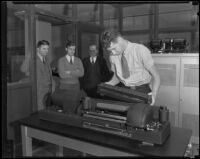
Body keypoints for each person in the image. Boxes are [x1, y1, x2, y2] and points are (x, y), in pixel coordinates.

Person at [101, 29, 160, 105]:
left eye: (114, 49)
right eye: (110, 51)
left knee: (139, 116)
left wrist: (154, 94)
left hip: (142, 91)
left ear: (119, 39)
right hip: (124, 91)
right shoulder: (112, 56)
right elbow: (117, 78)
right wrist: (107, 85)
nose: (113, 53)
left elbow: (156, 76)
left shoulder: (140, 50)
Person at [52, 40, 84, 113]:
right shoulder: (61, 60)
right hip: (65, 86)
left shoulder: (78, 60)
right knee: (66, 107)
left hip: (76, 86)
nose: (72, 51)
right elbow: (62, 75)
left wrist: (69, 72)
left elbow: (82, 73)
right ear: (66, 49)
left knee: (75, 106)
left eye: (74, 49)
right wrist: (76, 71)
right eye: (70, 49)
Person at [36, 40, 55, 110]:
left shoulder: (46, 59)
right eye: (44, 48)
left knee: (47, 110)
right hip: (40, 91)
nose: (46, 51)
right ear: (38, 49)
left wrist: (52, 86)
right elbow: (23, 69)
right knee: (40, 110)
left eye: (47, 49)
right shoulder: (34, 60)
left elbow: (49, 74)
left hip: (48, 91)